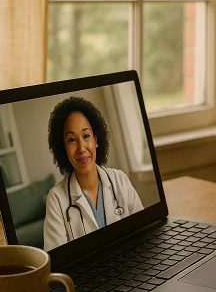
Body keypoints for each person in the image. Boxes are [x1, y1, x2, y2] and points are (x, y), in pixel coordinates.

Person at [43, 96, 143, 251]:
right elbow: (56, 264)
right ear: (62, 148)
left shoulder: (120, 180)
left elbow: (144, 235)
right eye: (71, 140)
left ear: (96, 140)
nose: (81, 148)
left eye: (86, 136)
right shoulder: (56, 199)